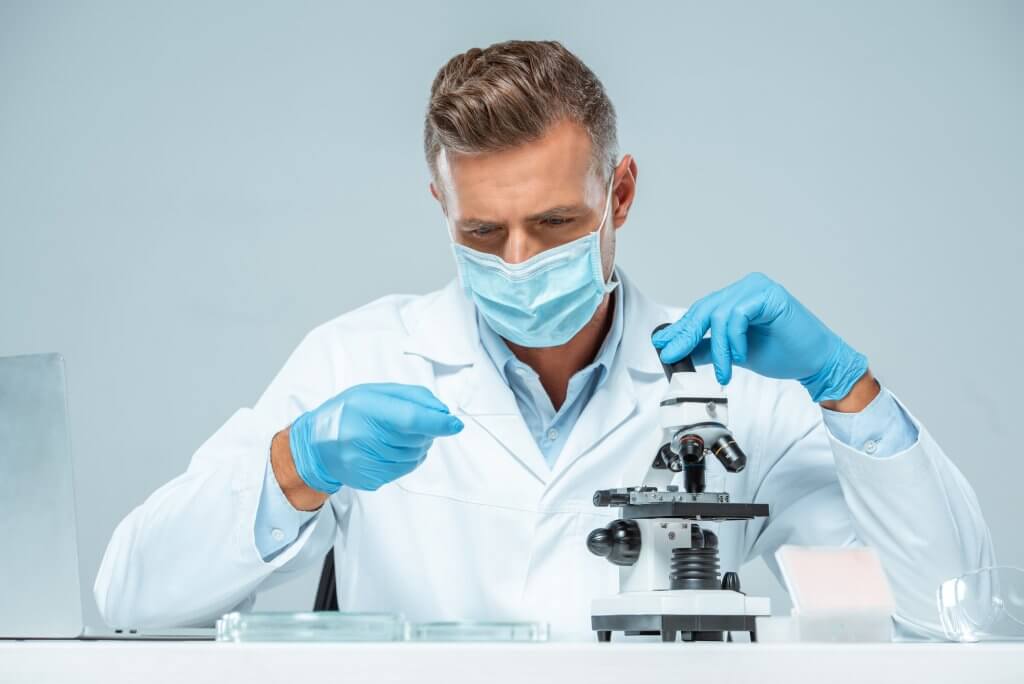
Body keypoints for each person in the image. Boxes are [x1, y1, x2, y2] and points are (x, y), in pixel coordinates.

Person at [94, 40, 993, 640]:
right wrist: (296, 466)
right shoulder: (357, 361)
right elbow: (133, 601)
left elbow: (947, 615)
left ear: (622, 195)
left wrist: (846, 388)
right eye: (484, 232)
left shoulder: (736, 392)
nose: (519, 263)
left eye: (557, 223)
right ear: (440, 200)